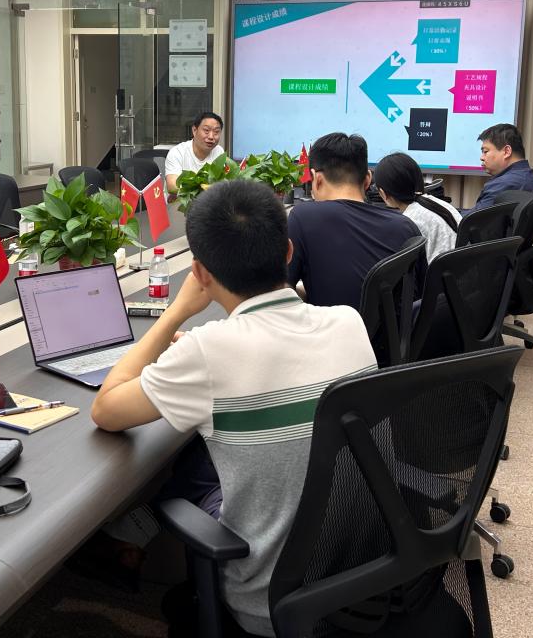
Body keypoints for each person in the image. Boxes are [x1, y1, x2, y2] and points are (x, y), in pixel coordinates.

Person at [90, 180, 377, 636]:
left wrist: (175, 313)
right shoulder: (348, 321)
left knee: (187, 470)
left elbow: (106, 409)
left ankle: (133, 538)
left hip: (268, 601)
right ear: (288, 252)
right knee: (203, 455)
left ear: (199, 273)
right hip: (361, 569)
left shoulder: (208, 351)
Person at [287, 133, 425, 309]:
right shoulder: (406, 226)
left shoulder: (303, 217)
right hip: (395, 328)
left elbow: (281, 292)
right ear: (367, 179)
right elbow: (419, 297)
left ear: (317, 179)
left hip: (332, 327)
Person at [374, 152, 462, 263]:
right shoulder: (442, 204)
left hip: (437, 273)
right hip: (462, 270)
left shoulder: (408, 222)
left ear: (383, 193)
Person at [469, 123, 533, 213]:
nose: (482, 157)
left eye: (485, 151)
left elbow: (473, 219)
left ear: (507, 152)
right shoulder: (529, 176)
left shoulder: (503, 184)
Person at [164, 111, 226, 192]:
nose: (211, 137)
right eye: (206, 130)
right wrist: (204, 188)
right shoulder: (177, 152)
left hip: (209, 199)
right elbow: (173, 187)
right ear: (194, 130)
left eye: (216, 132)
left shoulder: (219, 151)